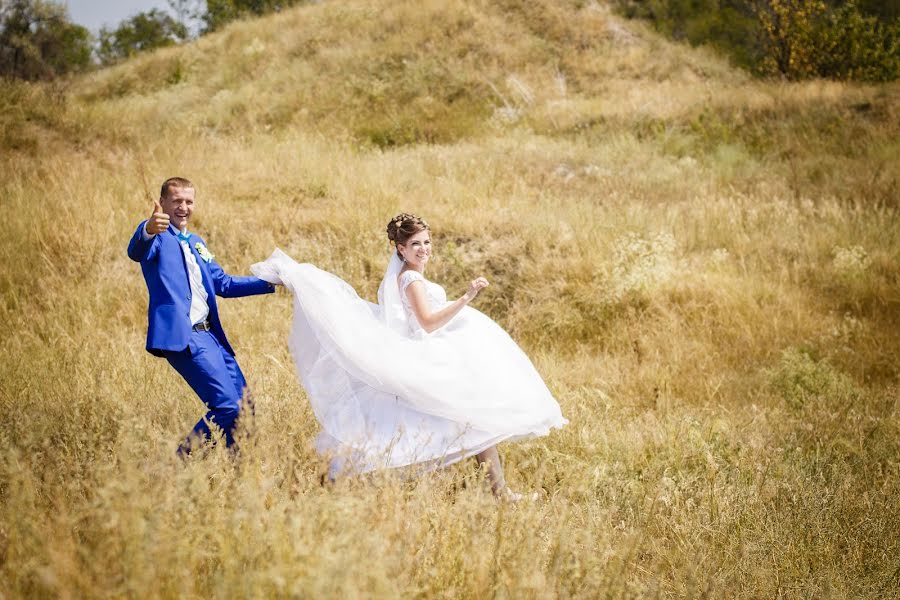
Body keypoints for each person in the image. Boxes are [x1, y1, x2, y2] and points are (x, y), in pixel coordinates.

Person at [252, 213, 566, 499]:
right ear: (400, 248)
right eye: (415, 244)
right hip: (428, 353)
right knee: (455, 421)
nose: (424, 249)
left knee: (470, 420)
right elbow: (428, 323)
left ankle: (498, 491)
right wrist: (467, 297)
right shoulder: (411, 279)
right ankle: (496, 492)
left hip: (433, 352)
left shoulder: (410, 275)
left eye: (427, 242)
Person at [127, 177, 277, 455]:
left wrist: (271, 282)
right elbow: (136, 250)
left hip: (211, 337)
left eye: (189, 201)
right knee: (226, 406)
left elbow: (224, 284)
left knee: (245, 408)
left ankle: (239, 473)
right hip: (185, 337)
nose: (183, 206)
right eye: (176, 201)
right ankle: (181, 461)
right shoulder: (157, 236)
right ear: (162, 204)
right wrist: (148, 228)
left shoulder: (196, 243)